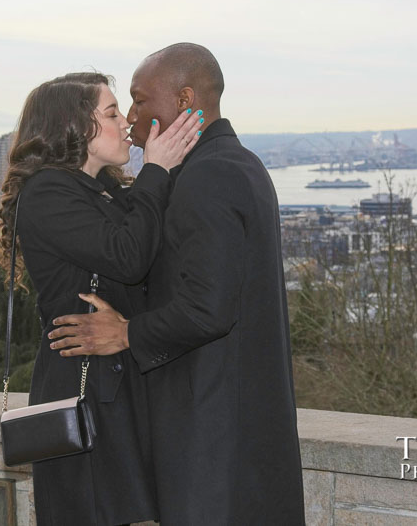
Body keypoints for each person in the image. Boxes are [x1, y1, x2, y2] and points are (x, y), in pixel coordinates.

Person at [49, 44, 307, 524]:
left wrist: (125, 333)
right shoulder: (237, 165)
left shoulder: (207, 177)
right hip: (235, 427)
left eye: (140, 99)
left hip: (211, 434)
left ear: (185, 99)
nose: (130, 115)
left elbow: (207, 308)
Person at [0, 71, 202, 526]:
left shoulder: (100, 191)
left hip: (115, 385)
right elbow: (128, 257)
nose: (126, 122)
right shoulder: (49, 192)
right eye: (110, 113)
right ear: (75, 128)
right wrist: (156, 168)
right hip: (87, 396)